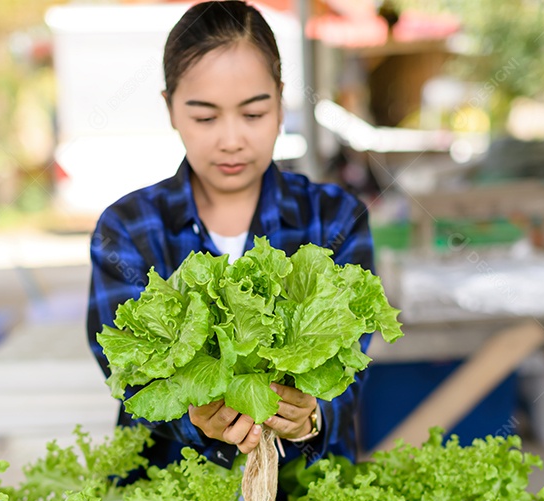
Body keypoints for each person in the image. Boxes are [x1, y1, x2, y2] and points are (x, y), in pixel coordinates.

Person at [87, 0, 377, 473]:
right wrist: (197, 419)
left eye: (254, 114)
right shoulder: (127, 229)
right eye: (205, 117)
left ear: (282, 103)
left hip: (302, 498)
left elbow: (350, 371)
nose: (231, 139)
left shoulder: (335, 217)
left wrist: (310, 418)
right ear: (170, 109)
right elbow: (130, 377)